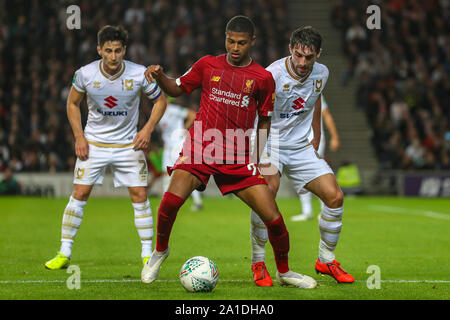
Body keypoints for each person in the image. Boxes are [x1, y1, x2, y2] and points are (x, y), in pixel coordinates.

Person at [141, 15, 317, 289]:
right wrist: (160, 75)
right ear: (225, 38)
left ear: (252, 42)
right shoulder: (207, 64)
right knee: (170, 201)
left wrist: (257, 159)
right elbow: (176, 88)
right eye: (230, 41)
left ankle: (284, 271)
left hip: (237, 157)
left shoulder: (262, 78)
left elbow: (266, 120)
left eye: (241, 43)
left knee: (273, 217)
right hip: (201, 147)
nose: (235, 48)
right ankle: (160, 251)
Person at [44, 25, 168, 270]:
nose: (113, 57)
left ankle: (146, 256)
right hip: (94, 144)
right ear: (99, 49)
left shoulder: (139, 73)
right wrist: (79, 137)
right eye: (108, 51)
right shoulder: (85, 74)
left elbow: (160, 101)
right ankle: (64, 252)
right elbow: (72, 103)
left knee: (140, 196)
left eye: (118, 51)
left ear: (125, 50)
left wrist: (147, 129)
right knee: (79, 194)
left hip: (128, 145)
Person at [250, 26, 354, 286]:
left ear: (318, 54)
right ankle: (258, 262)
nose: (302, 63)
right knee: (268, 192)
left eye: (309, 57)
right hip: (270, 141)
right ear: (290, 50)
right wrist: (256, 154)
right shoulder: (271, 75)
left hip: (300, 146)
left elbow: (316, 98)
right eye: (298, 55)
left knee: (335, 196)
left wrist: (316, 135)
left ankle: (326, 260)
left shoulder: (322, 73)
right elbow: (259, 115)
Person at [292, 94, 340, 221]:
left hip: (315, 139)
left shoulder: (314, 88)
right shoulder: (290, 87)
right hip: (297, 139)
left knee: (317, 173)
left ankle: (325, 208)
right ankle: (307, 210)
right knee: (301, 175)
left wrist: (334, 136)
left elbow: (326, 114)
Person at [157, 96, 203, 211]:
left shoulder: (174, 109)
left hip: (178, 145)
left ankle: (197, 202)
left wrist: (183, 130)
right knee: (166, 174)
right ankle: (165, 204)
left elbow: (192, 115)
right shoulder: (157, 112)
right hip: (168, 147)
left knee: (185, 173)